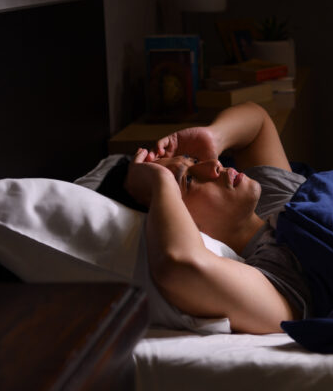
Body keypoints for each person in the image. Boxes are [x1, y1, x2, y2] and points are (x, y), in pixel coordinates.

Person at [123, 101, 310, 334]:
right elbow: (180, 266)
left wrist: (213, 136)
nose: (214, 164)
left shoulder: (273, 198)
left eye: (194, 160)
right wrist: (161, 181)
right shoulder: (278, 276)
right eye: (188, 179)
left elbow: (258, 122)